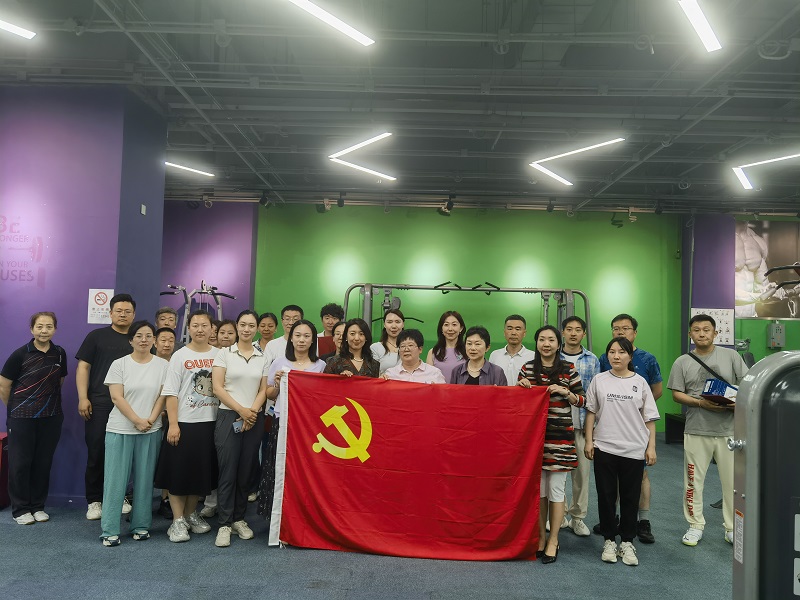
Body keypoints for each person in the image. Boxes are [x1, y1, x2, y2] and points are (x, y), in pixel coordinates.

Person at [667, 314, 748, 547]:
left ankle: (732, 528)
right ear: (690, 334)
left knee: (733, 484)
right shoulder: (682, 362)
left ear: (715, 333)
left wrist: (737, 402)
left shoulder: (731, 356)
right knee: (693, 481)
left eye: (706, 329)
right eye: (696, 330)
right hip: (696, 429)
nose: (701, 334)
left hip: (730, 431)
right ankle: (695, 525)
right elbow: (677, 394)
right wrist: (700, 403)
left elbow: (747, 384)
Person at [584, 336, 658, 566]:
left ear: (630, 356)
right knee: (606, 496)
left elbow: (649, 419)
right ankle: (609, 540)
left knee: (630, 497)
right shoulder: (599, 380)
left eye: (621, 352)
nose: (616, 356)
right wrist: (589, 441)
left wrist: (651, 447)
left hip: (633, 449)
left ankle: (627, 541)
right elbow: (591, 412)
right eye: (612, 352)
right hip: (604, 446)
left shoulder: (640, 382)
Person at [517, 325, 584, 564]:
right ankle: (540, 537)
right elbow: (517, 404)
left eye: (551, 340)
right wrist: (521, 388)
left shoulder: (568, 369)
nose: (546, 344)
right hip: (534, 441)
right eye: (542, 339)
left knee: (556, 491)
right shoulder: (526, 369)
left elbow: (582, 400)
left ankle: (554, 539)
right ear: (536, 343)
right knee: (540, 492)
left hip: (560, 440)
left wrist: (566, 392)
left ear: (558, 344)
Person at [99, 321, 169, 546]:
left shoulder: (163, 365)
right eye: (139, 336)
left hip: (151, 429)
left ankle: (140, 526)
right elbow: (116, 397)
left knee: (145, 480)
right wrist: (137, 420)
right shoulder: (119, 364)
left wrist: (150, 420)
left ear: (154, 340)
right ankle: (110, 529)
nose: (144, 340)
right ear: (131, 340)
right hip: (120, 429)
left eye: (148, 336)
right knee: (115, 481)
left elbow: (163, 396)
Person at [153, 309, 219, 543]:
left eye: (204, 325)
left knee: (200, 474)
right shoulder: (179, 356)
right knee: (179, 474)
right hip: (184, 423)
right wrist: (173, 424)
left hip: (211, 422)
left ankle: (191, 514)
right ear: (188, 328)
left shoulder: (220, 355)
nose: (200, 329)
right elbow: (171, 392)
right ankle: (177, 520)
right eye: (195, 325)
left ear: (212, 329)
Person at [597, 314, 662, 544]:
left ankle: (643, 521)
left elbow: (656, 390)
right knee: (611, 479)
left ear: (635, 332)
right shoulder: (604, 359)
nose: (620, 332)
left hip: (636, 431)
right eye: (616, 328)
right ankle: (613, 519)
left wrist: (634, 410)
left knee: (639, 477)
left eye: (625, 328)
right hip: (610, 431)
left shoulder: (648, 359)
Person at [0, 312, 67, 525]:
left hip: (51, 417)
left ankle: (38, 506)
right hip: (21, 417)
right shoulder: (20, 354)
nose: (44, 331)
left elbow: (59, 382)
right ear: (32, 329)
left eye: (48, 326)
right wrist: (16, 410)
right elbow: (4, 385)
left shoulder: (59, 354)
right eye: (39, 326)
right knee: (20, 463)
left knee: (43, 463)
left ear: (55, 329)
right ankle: (20, 509)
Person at [257, 320, 326, 523]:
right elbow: (269, 394)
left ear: (313, 340)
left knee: (304, 469)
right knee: (279, 467)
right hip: (282, 421)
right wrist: (278, 384)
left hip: (308, 426)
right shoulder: (279, 363)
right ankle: (277, 517)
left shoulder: (320, 365)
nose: (301, 340)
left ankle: (303, 516)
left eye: (306, 336)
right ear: (291, 338)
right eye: (298, 335)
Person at [75, 293, 136, 520]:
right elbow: (83, 367)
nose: (123, 314)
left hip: (130, 405)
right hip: (100, 403)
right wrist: (83, 397)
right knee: (97, 452)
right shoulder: (96, 336)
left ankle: (120, 496)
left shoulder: (138, 338)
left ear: (134, 315)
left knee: (125, 453)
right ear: (110, 313)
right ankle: (94, 500)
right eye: (118, 311)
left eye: (127, 311)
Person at [212, 310, 268, 548]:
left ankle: (239, 519)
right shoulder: (224, 354)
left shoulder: (262, 356)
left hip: (254, 418)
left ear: (256, 329)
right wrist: (241, 411)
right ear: (237, 326)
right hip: (229, 416)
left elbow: (264, 389)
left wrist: (251, 412)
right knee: (228, 471)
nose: (246, 329)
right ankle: (224, 524)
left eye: (251, 325)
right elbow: (217, 387)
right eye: (243, 324)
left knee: (246, 471)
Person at [560, 316, 600, 538]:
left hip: (583, 424)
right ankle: (559, 514)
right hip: (557, 424)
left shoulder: (592, 359)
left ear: (584, 334)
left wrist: (592, 429)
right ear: (563, 332)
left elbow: (595, 396)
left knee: (582, 474)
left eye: (578, 330)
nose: (573, 333)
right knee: (557, 473)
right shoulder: (553, 356)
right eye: (569, 329)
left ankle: (578, 517)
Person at [489, 314, 536, 386]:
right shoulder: (495, 355)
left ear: (524, 333)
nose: (513, 333)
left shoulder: (533, 356)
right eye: (510, 329)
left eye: (518, 329)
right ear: (504, 332)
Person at [426, 310, 466, 383]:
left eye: (454, 324)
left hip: (462, 390)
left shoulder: (468, 351)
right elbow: (429, 379)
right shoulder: (433, 352)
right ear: (441, 328)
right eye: (446, 325)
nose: (450, 329)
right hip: (439, 390)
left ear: (461, 328)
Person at [370, 309, 404, 374]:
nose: (394, 326)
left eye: (397, 322)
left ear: (403, 324)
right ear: (384, 325)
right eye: (389, 322)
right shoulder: (376, 348)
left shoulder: (410, 347)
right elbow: (373, 374)